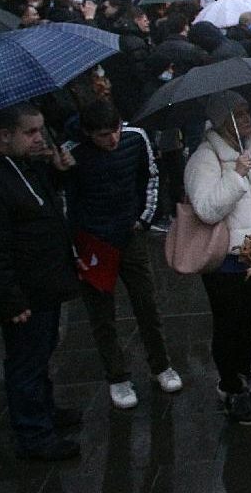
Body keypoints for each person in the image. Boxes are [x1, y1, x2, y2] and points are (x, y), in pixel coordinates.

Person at [0, 104, 82, 460]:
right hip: (25, 289)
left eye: (40, 130)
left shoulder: (23, 163)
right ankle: (34, 434)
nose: (39, 138)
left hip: (44, 279)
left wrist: (57, 172)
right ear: (5, 135)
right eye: (30, 132)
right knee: (26, 360)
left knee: (42, 351)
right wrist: (9, 300)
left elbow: (38, 205)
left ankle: (45, 410)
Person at [63, 101, 181, 409]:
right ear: (88, 133)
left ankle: (161, 365)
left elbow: (150, 176)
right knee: (102, 316)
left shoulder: (136, 138)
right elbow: (66, 203)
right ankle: (117, 376)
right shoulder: (71, 154)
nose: (112, 139)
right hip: (93, 242)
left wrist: (144, 218)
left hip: (130, 234)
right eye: (103, 135)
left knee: (147, 303)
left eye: (115, 130)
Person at [184, 91, 251, 426]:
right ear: (223, 121)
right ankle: (230, 386)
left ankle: (245, 376)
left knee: (246, 323)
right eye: (239, 115)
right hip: (223, 258)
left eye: (247, 112)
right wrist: (236, 175)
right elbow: (206, 209)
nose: (247, 119)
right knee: (228, 324)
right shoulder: (204, 158)